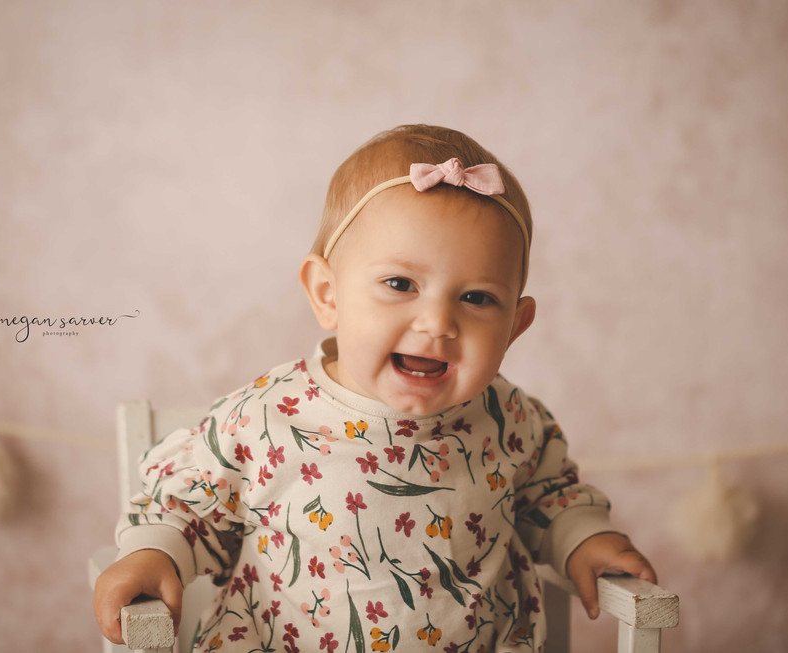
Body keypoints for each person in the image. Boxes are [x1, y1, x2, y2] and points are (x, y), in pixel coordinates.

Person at [94, 124, 657, 653]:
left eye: (477, 298)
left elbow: (549, 497)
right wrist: (152, 554)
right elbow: (188, 509)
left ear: (514, 326)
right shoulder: (266, 417)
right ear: (328, 294)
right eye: (400, 283)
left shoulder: (508, 416)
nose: (437, 322)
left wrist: (584, 539)